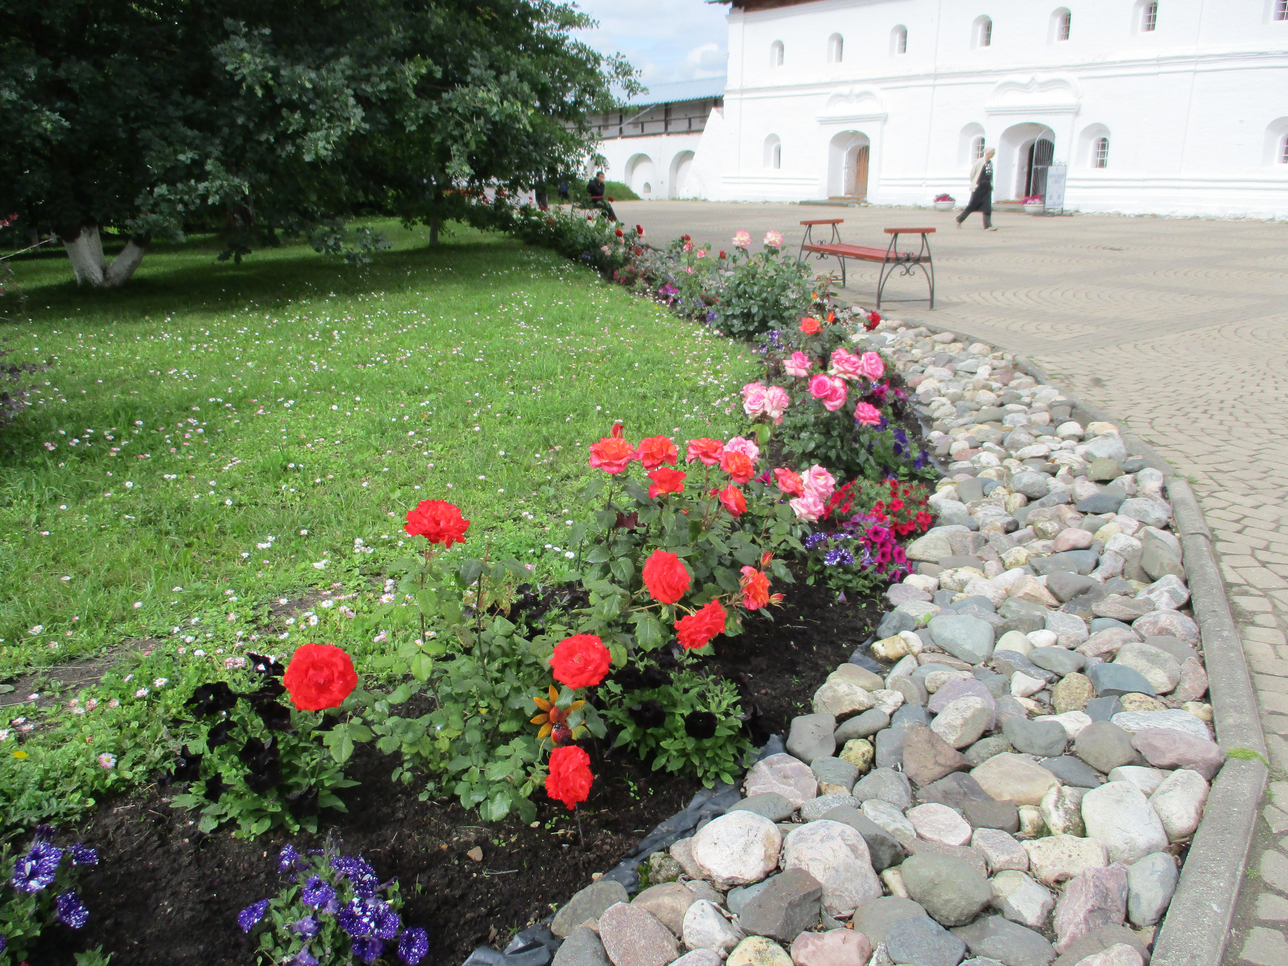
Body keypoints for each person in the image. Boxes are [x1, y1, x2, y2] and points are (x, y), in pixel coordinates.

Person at [956, 148, 998, 230]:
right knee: (973, 205)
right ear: (987, 153)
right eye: (992, 153)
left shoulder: (990, 163)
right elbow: (973, 173)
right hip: (979, 187)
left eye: (993, 153)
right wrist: (974, 183)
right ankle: (960, 219)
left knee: (987, 206)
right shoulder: (980, 162)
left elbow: (990, 175)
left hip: (987, 187)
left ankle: (988, 225)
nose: (993, 154)